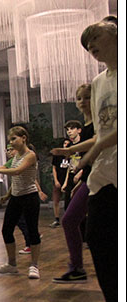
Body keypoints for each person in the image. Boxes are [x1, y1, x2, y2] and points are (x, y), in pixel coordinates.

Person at [76, 19, 117, 302]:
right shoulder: (98, 81)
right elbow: (103, 130)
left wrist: (95, 149)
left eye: (95, 37)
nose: (90, 45)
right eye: (86, 43)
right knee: (97, 238)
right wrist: (87, 150)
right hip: (104, 174)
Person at [50, 84, 94, 284]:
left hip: (105, 179)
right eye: (79, 98)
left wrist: (69, 151)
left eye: (87, 97)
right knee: (69, 220)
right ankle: (76, 268)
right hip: (90, 180)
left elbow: (97, 142)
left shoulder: (98, 123)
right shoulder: (86, 126)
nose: (83, 102)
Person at [0, 126, 42, 279]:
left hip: (30, 197)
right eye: (9, 140)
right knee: (6, 230)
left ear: (23, 138)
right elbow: (6, 168)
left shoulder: (30, 155)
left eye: (13, 139)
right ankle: (11, 264)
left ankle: (34, 265)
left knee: (32, 231)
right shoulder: (16, 156)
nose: (11, 143)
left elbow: (17, 171)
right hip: (16, 198)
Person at [61, 120, 84, 210]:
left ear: (79, 130)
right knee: (68, 206)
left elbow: (90, 161)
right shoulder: (69, 146)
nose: (69, 131)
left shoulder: (84, 144)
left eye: (72, 129)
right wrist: (65, 182)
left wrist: (80, 173)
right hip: (71, 176)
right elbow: (69, 164)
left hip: (82, 176)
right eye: (67, 129)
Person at [49, 138, 72, 227]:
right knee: (56, 199)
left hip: (68, 180)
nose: (65, 145)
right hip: (58, 179)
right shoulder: (57, 156)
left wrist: (66, 183)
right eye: (64, 143)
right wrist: (56, 180)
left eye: (67, 144)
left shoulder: (71, 156)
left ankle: (68, 218)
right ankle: (57, 219)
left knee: (68, 200)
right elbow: (54, 168)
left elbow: (70, 169)